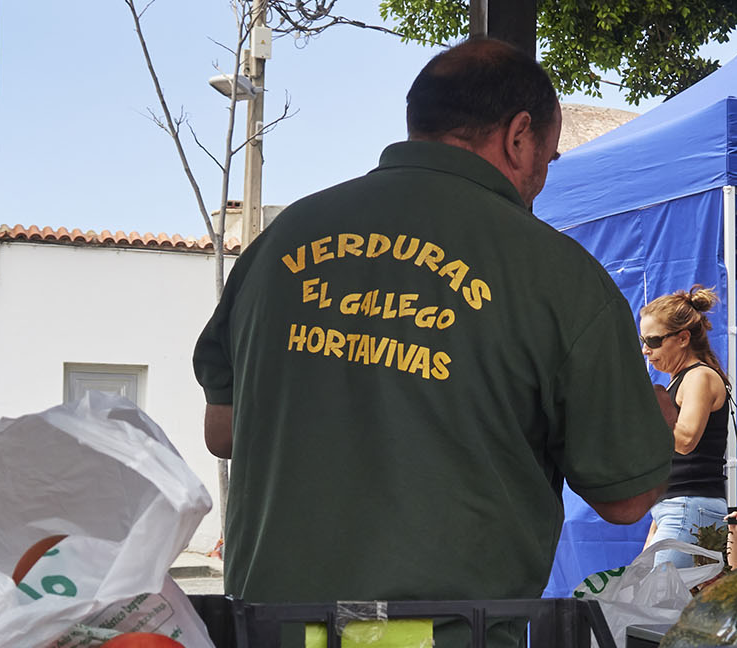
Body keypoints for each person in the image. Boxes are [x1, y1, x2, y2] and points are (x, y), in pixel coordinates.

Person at [192, 37, 670, 603]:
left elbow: (221, 432)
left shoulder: (282, 241)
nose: (543, 175)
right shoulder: (557, 276)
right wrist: (657, 421)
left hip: (273, 640)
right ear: (519, 138)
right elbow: (627, 500)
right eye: (549, 157)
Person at [640, 287, 731, 569]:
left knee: (655, 605)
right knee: (656, 602)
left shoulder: (698, 377)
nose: (646, 349)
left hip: (689, 506)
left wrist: (649, 409)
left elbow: (686, 440)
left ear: (682, 338)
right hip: (679, 506)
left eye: (653, 341)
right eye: (643, 340)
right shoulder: (681, 380)